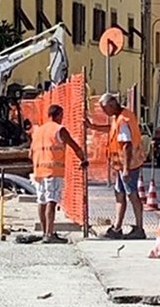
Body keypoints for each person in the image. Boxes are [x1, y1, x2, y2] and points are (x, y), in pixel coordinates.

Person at [85, 93, 147, 240]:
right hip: (122, 166)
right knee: (120, 194)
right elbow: (111, 128)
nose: (105, 112)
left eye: (105, 109)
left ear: (112, 105)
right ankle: (117, 227)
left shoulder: (123, 120)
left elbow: (126, 145)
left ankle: (139, 228)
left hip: (129, 165)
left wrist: (126, 169)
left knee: (132, 194)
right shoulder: (118, 118)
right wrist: (93, 126)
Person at [30, 105, 88, 244]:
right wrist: (83, 160)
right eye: (62, 115)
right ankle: (50, 234)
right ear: (58, 115)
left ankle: (45, 232)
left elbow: (30, 153)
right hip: (53, 171)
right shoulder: (59, 129)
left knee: (41, 200)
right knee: (52, 200)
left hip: (39, 171)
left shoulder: (38, 131)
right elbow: (74, 146)